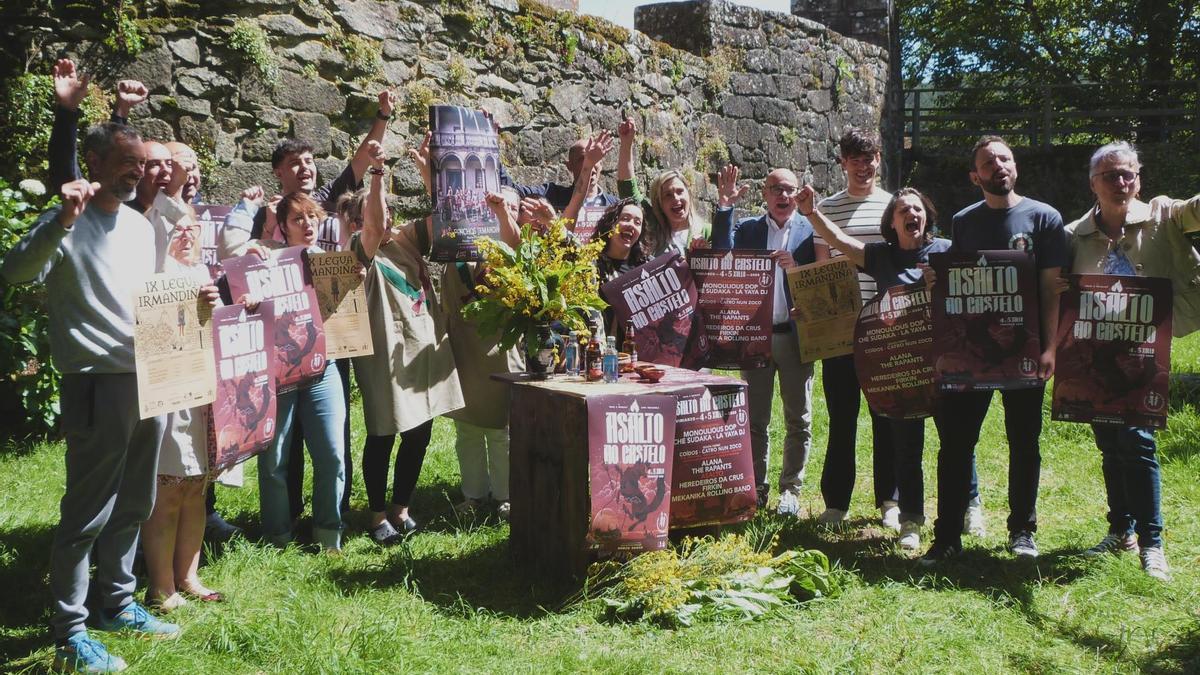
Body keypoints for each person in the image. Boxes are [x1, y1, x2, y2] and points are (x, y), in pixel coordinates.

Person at [2, 122, 222, 672]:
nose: (138, 171)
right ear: (93, 163)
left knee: (135, 501)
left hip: (152, 375)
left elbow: (151, 298)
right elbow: (13, 271)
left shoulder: (137, 225)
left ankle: (117, 605)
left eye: (142, 163)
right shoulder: (66, 223)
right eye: (126, 161)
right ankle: (69, 635)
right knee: (87, 511)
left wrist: (195, 293)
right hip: (99, 382)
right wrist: (59, 221)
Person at [921, 136, 1068, 564]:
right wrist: (937, 283)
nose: (999, 166)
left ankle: (1023, 531)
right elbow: (961, 283)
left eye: (1005, 158)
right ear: (975, 176)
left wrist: (1050, 348)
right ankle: (946, 536)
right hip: (973, 353)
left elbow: (1049, 288)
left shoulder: (1045, 218)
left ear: (1015, 167)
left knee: (1025, 442)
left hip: (1025, 351)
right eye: (989, 162)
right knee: (955, 444)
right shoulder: (964, 221)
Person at [1063, 141, 1200, 580]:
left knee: (1139, 442)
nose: (1121, 182)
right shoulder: (1074, 235)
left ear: (1138, 179)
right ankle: (1120, 530)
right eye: (1111, 176)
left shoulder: (1163, 214)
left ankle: (1151, 543)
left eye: (1128, 174)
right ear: (1093, 184)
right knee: (1109, 443)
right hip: (1097, 354)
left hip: (1146, 351)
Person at [799, 185, 952, 550]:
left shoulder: (946, 251)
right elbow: (838, 239)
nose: (911, 215)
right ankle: (911, 520)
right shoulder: (881, 257)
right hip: (899, 363)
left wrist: (942, 283)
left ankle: (963, 509)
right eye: (903, 211)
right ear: (892, 222)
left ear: (927, 215)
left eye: (917, 209)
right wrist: (809, 212)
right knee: (906, 443)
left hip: (945, 362)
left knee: (956, 442)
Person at [350, 141, 465, 543]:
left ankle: (402, 507)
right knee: (383, 432)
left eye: (390, 213)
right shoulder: (358, 252)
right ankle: (376, 514)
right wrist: (378, 174)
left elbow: (447, 217)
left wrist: (430, 174)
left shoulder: (405, 242)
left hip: (422, 350)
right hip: (385, 357)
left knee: (419, 432)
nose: (388, 221)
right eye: (378, 214)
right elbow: (372, 227)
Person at [233, 191, 349, 551]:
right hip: (278, 374)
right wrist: (250, 298)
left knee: (331, 453)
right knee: (274, 460)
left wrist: (352, 281)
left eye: (312, 217)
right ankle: (278, 537)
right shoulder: (265, 260)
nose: (309, 224)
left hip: (321, 368)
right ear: (283, 227)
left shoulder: (328, 261)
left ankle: (329, 535)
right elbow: (236, 275)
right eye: (299, 219)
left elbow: (346, 313)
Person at [809, 128, 902, 530]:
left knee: (888, 417)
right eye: (855, 158)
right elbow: (821, 271)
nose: (864, 166)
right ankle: (836, 502)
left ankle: (891, 501)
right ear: (843, 162)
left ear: (879, 160)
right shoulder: (824, 209)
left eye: (871, 158)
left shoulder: (894, 206)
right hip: (843, 331)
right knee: (842, 417)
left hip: (885, 326)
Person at [712, 164, 816, 511]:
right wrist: (724, 206)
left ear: (798, 192)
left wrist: (798, 276)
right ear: (765, 194)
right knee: (755, 419)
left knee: (797, 418)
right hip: (755, 336)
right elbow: (720, 256)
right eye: (776, 189)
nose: (783, 196)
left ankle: (791, 490)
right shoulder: (748, 230)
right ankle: (756, 487)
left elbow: (823, 279)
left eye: (789, 189)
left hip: (794, 336)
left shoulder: (810, 231)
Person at [141, 216, 224, 610]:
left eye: (192, 226)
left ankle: (188, 576)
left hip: (203, 392)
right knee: (169, 489)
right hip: (170, 391)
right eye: (176, 227)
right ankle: (160, 587)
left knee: (197, 488)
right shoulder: (154, 272)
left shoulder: (203, 271)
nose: (186, 233)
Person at [616, 115, 710, 256]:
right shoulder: (652, 227)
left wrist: (708, 252)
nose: (676, 199)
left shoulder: (707, 231)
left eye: (680, 191)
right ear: (659, 203)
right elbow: (628, 190)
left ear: (688, 194)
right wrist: (626, 143)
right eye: (667, 195)